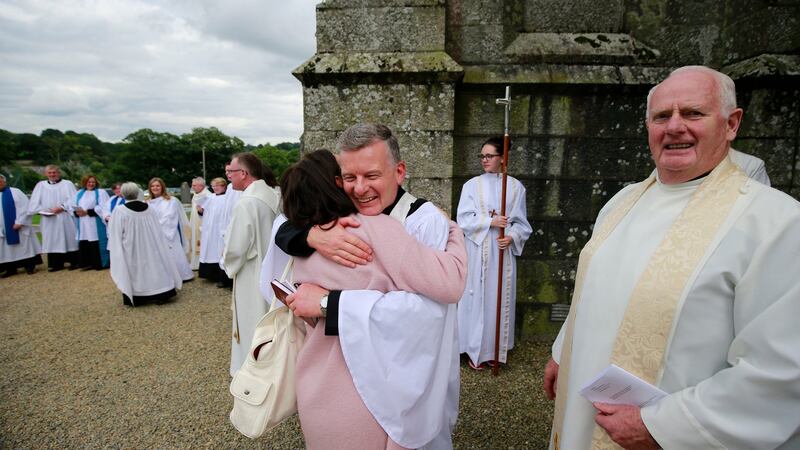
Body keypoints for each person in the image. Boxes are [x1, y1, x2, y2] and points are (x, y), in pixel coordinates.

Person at [544, 66, 800, 449]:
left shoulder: (777, 224)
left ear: (731, 124)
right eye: (662, 116)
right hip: (585, 407)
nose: (675, 126)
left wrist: (664, 427)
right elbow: (595, 290)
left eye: (693, 113)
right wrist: (562, 352)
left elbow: (781, 370)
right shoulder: (622, 202)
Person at [276, 124, 465, 449]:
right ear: (337, 180)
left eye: (372, 176)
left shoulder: (423, 221)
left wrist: (329, 304)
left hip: (395, 373)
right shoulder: (328, 227)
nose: (360, 189)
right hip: (361, 393)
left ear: (400, 171)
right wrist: (308, 236)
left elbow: (426, 312)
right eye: (349, 178)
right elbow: (282, 231)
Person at [456, 136, 532, 369]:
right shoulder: (471, 186)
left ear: (502, 158)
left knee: (497, 298)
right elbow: (463, 218)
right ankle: (471, 349)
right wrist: (490, 221)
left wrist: (512, 237)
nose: (484, 160)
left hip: (501, 253)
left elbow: (521, 223)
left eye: (489, 156)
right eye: (482, 156)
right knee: (475, 296)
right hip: (478, 249)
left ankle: (493, 351)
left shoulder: (515, 187)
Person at [222, 153, 280, 376]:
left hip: (251, 271)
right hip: (273, 268)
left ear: (243, 173)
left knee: (251, 319)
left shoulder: (247, 203)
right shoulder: (272, 195)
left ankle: (253, 370)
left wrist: (227, 262)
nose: (229, 178)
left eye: (231, 173)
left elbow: (236, 248)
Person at [108, 182, 182, 306]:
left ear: (123, 194)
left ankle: (139, 296)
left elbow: (115, 232)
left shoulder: (120, 210)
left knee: (136, 269)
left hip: (132, 247)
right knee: (155, 266)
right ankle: (162, 293)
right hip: (151, 245)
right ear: (137, 193)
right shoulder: (148, 208)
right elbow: (157, 230)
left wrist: (116, 249)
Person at [27, 165, 79, 271]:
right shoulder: (40, 185)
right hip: (48, 219)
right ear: (46, 174)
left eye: (54, 172)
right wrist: (42, 211)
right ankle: (56, 264)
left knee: (68, 237)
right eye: (49, 173)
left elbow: (74, 199)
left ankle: (74, 262)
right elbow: (34, 202)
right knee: (52, 240)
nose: (52, 175)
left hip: (64, 216)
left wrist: (62, 207)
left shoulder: (67, 184)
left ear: (59, 173)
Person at [147, 177, 194, 282]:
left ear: (162, 187)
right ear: (150, 188)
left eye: (157, 185)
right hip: (154, 233)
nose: (155, 188)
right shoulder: (148, 203)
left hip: (169, 233)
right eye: (152, 186)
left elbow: (170, 216)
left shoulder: (171, 200)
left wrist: (157, 227)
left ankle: (182, 275)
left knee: (174, 253)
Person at [0, 174, 42, 277]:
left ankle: (29, 266)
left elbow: (25, 207)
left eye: (0, 181)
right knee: (7, 251)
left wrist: (20, 222)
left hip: (18, 226)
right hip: (3, 228)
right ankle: (11, 269)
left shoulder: (15, 192)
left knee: (24, 247)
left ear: (4, 182)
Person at [71, 174, 110, 270]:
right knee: (85, 241)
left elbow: (104, 207)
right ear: (85, 183)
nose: (91, 184)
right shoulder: (79, 193)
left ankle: (99, 263)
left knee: (95, 241)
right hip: (83, 222)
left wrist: (88, 212)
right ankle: (87, 263)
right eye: (89, 182)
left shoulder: (101, 193)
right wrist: (77, 212)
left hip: (95, 222)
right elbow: (71, 204)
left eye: (93, 182)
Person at [197, 177, 229, 284]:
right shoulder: (210, 197)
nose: (215, 188)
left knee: (219, 251)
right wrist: (200, 211)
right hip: (210, 230)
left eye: (217, 185)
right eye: (213, 186)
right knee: (209, 251)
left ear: (224, 186)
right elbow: (204, 212)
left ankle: (221, 277)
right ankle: (210, 275)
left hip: (220, 229)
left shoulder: (227, 198)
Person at [188, 177, 210, 270]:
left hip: (203, 224)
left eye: (194, 185)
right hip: (194, 222)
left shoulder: (207, 195)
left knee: (202, 243)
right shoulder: (196, 194)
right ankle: (195, 263)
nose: (192, 187)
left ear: (201, 185)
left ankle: (201, 264)